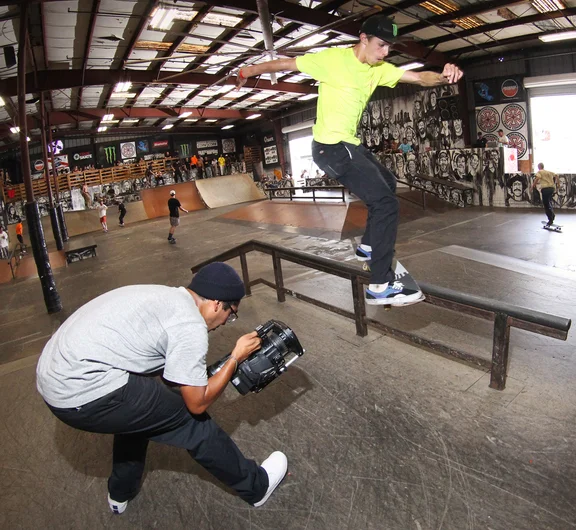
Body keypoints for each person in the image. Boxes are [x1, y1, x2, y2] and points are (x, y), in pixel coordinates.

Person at [236, 14, 463, 306]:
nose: (385, 53)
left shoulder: (379, 68)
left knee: (388, 182)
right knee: (385, 203)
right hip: (330, 147)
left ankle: (368, 246)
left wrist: (444, 75)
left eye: (389, 49)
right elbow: (285, 63)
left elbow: (419, 77)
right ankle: (380, 285)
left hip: (349, 145)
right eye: (381, 46)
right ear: (363, 39)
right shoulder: (332, 60)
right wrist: (247, 70)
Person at [35, 262, 288, 515]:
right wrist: (235, 357)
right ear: (216, 304)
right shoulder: (190, 327)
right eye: (230, 313)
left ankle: (120, 492)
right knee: (192, 423)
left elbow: (159, 368)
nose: (226, 322)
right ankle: (257, 487)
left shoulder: (168, 297)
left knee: (142, 414)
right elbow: (197, 403)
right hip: (80, 391)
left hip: (54, 374)